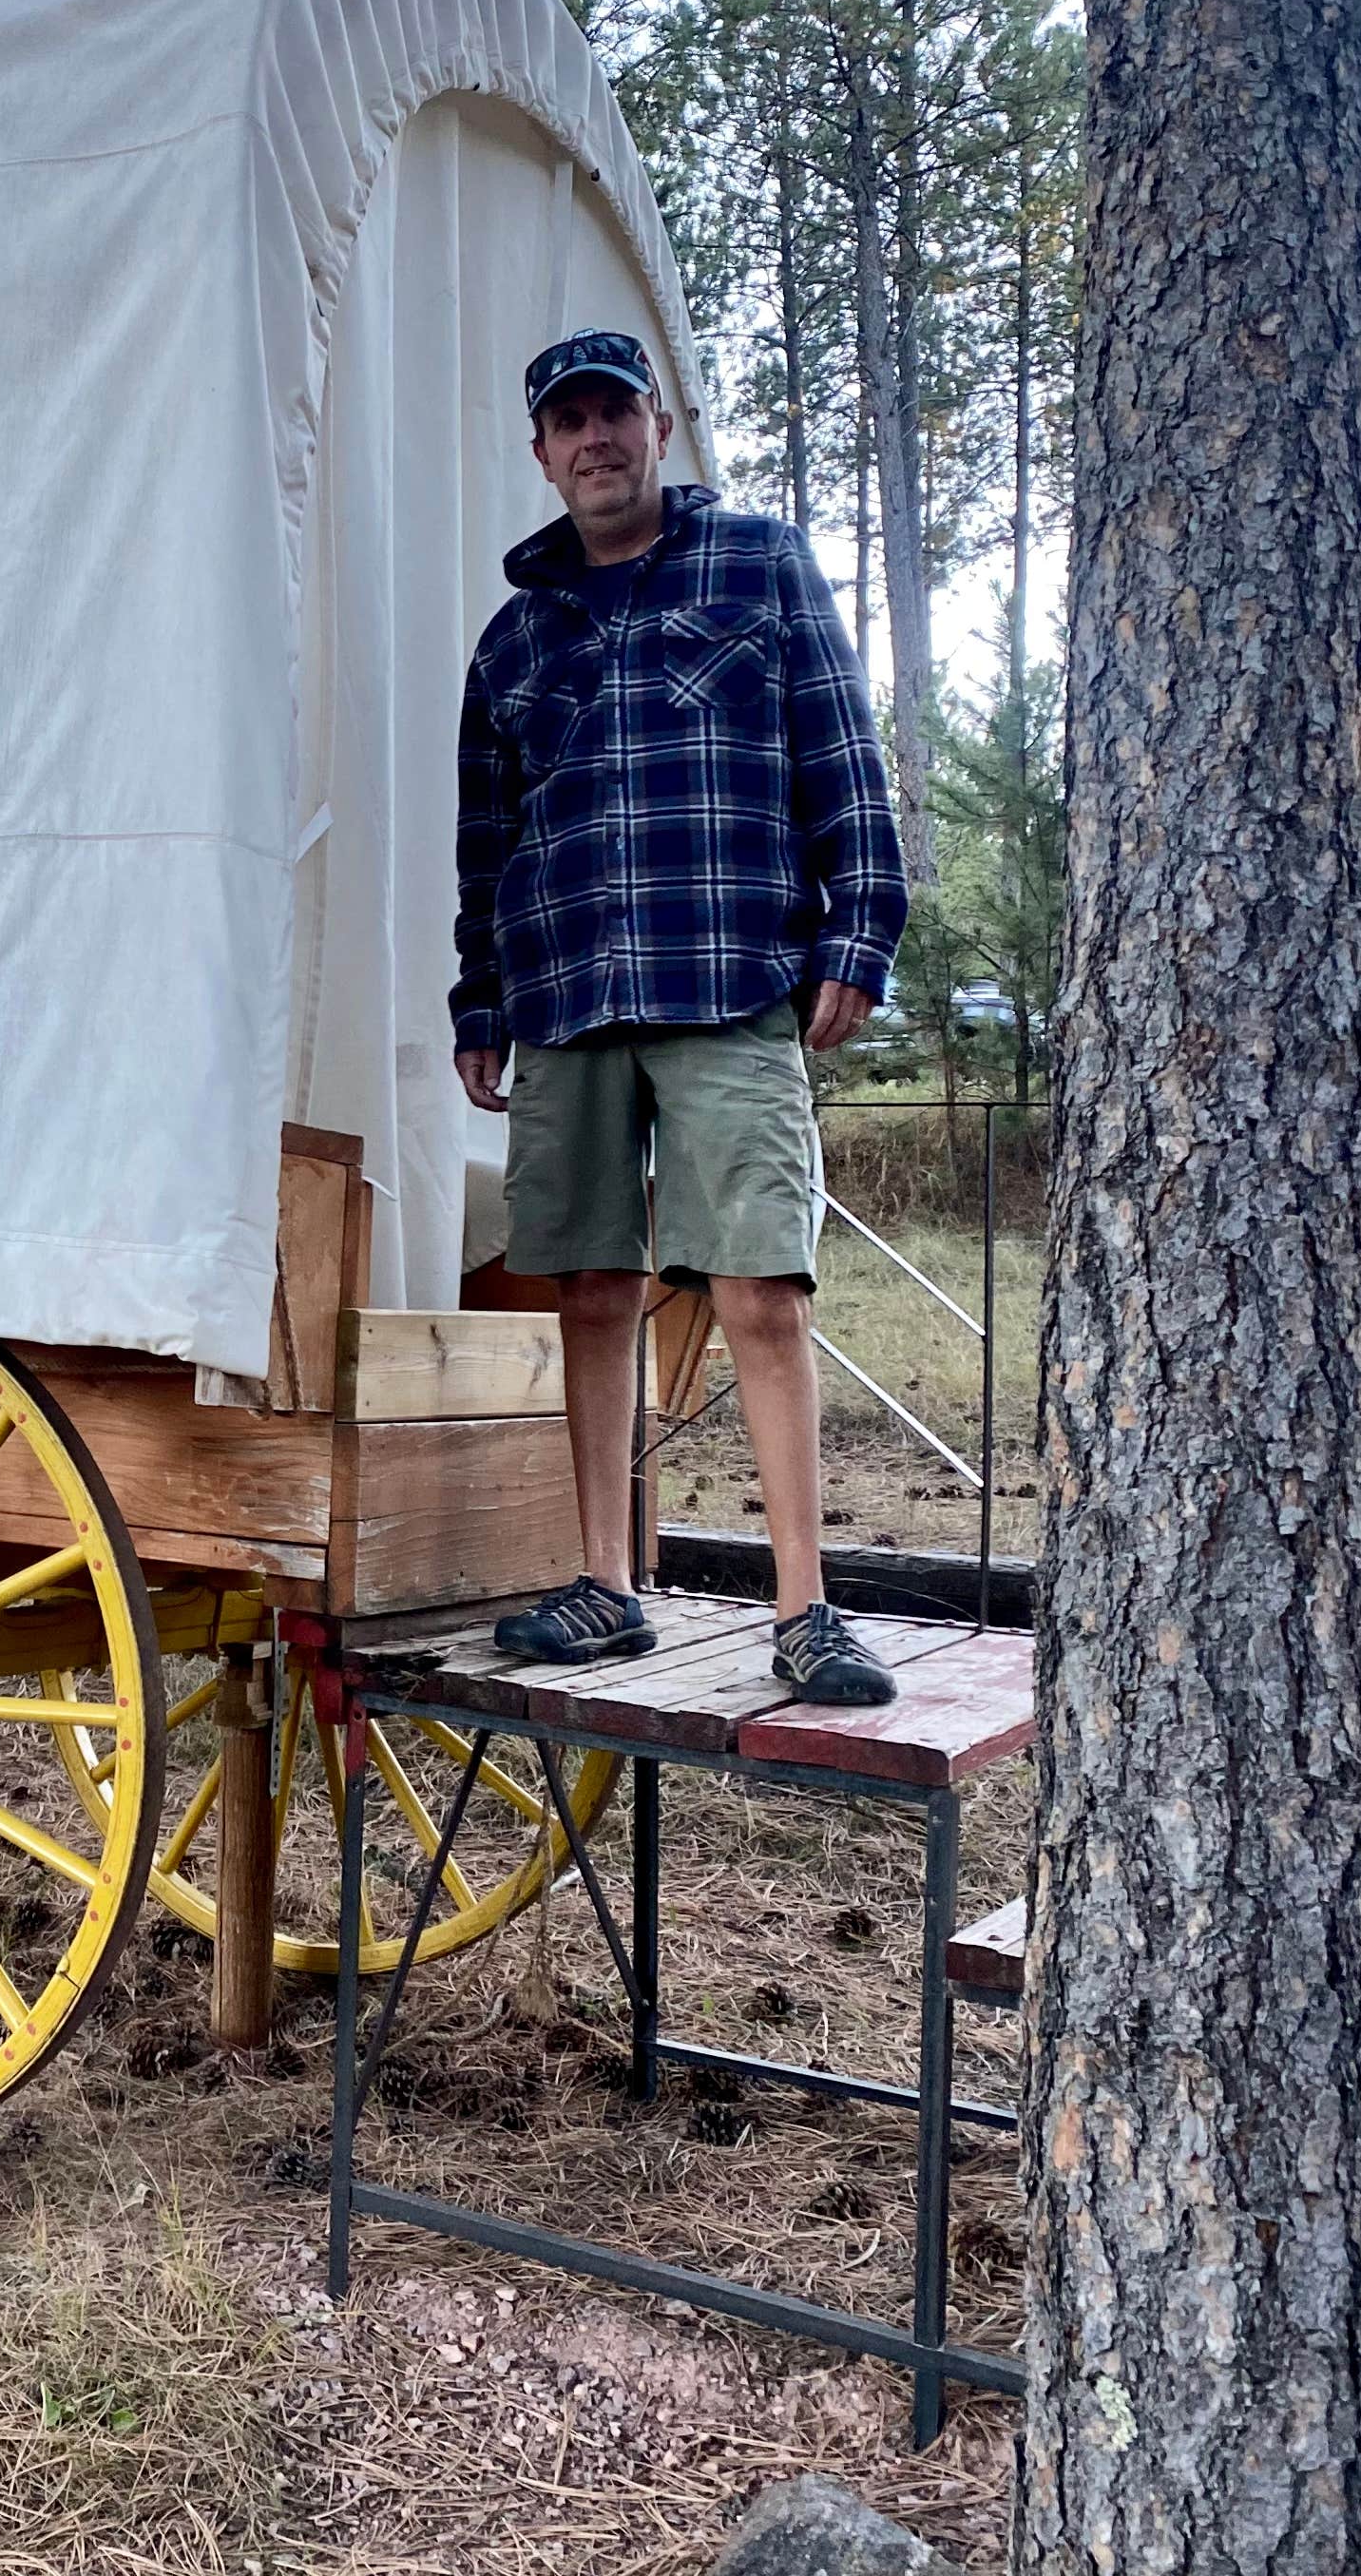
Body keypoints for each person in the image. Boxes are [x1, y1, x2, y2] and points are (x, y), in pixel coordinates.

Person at [450, 331, 909, 1706]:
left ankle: (806, 1609)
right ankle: (606, 1583)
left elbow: (843, 754)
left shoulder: (760, 567)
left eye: (616, 414)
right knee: (589, 1287)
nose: (595, 440)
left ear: (660, 428)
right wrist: (481, 997)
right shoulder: (514, 640)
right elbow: (487, 848)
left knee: (759, 1284)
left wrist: (860, 926)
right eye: (569, 423)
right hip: (568, 992)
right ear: (543, 454)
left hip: (728, 974)